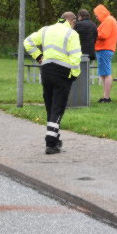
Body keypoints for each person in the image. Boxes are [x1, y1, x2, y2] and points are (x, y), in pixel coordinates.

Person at [23, 12, 82, 154]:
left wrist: (39, 57)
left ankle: (55, 138)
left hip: (47, 70)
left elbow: (27, 42)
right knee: (58, 107)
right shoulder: (71, 34)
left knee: (50, 105)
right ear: (72, 21)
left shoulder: (46, 30)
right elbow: (75, 57)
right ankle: (50, 143)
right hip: (63, 72)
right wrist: (74, 75)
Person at [93, 4, 117, 103]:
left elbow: (104, 34)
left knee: (106, 73)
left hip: (105, 49)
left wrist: (94, 33)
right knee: (103, 73)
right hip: (104, 49)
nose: (96, 17)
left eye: (97, 14)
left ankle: (107, 97)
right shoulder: (108, 20)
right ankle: (105, 96)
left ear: (101, 13)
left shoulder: (108, 20)